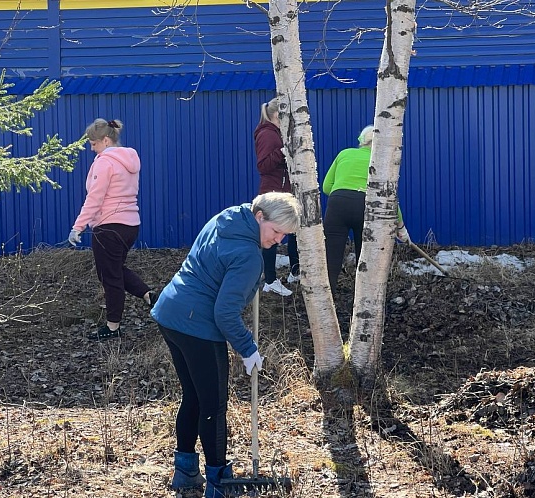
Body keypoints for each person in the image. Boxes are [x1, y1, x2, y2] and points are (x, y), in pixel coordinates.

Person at [150, 192, 301, 498]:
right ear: (260, 216)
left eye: (286, 235)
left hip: (171, 311)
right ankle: (219, 484)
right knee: (214, 407)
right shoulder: (248, 256)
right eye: (276, 231)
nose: (280, 240)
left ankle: (185, 473)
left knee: (193, 397)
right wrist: (248, 348)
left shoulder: (229, 216)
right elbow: (225, 313)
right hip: (197, 325)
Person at [68, 118, 156, 341]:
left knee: (110, 277)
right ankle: (148, 295)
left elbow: (95, 198)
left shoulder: (104, 162)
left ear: (106, 140)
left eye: (93, 143)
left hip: (108, 226)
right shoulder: (131, 159)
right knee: (114, 268)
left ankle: (113, 326)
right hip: (130, 225)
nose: (91, 148)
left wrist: (78, 226)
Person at [322, 125, 410, 293]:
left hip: (338, 204)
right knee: (365, 258)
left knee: (330, 259)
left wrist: (344, 190)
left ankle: (325, 305)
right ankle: (363, 302)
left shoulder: (344, 153)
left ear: (361, 141)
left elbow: (327, 187)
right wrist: (401, 227)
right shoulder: (382, 162)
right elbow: (389, 198)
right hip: (366, 206)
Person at [253, 98, 300, 297]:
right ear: (277, 115)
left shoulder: (276, 133)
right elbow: (263, 165)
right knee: (271, 236)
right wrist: (282, 152)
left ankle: (295, 271)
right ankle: (270, 280)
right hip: (273, 192)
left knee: (293, 229)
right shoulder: (267, 134)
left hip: (282, 190)